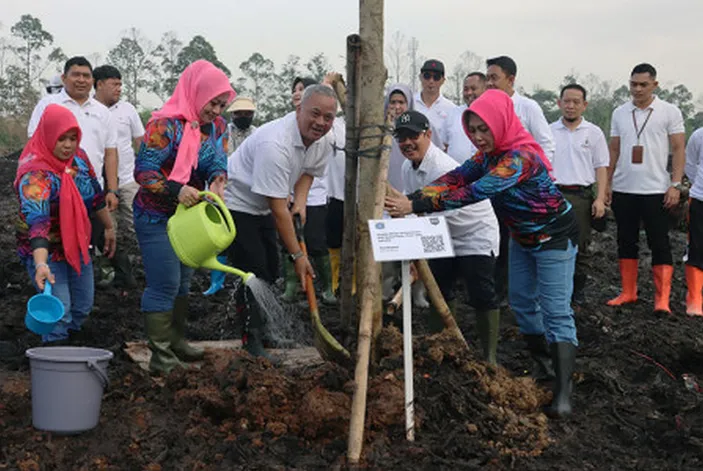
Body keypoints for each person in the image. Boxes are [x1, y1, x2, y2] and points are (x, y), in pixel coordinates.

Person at [385, 90, 579, 418]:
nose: (477, 137)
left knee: (555, 311)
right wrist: (418, 195)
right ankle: (545, 366)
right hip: (521, 237)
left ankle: (564, 389)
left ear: (501, 123)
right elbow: (457, 178)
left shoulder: (520, 159)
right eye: (472, 130)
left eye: (483, 129)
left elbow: (476, 191)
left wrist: (415, 204)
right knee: (521, 304)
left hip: (554, 236)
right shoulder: (485, 157)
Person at [133, 60, 235, 374]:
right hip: (156, 216)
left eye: (221, 104)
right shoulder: (165, 126)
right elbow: (144, 171)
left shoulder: (216, 127)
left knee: (183, 283)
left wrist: (218, 179)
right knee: (165, 283)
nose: (216, 110)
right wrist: (176, 189)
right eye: (212, 103)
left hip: (189, 218)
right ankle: (160, 356)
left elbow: (218, 159)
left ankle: (176, 342)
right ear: (195, 92)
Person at [224, 84, 337, 358]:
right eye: (315, 114)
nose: (321, 122)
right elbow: (278, 209)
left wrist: (300, 200)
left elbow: (309, 171)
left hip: (265, 204)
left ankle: (266, 331)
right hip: (238, 204)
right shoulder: (275, 143)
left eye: (328, 117)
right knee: (251, 272)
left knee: (271, 270)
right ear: (299, 109)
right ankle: (251, 339)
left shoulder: (323, 139)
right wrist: (298, 255)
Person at [393, 110, 501, 364]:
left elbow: (435, 209)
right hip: (440, 232)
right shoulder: (409, 167)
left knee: (481, 293)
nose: (407, 143)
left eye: (413, 136)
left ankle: (490, 358)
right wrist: (413, 252)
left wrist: (420, 249)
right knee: (439, 288)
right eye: (402, 138)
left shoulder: (441, 167)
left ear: (428, 134)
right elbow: (413, 210)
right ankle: (439, 347)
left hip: (474, 231)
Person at [15, 104, 116, 343]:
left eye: (73, 138)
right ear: (48, 136)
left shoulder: (78, 159)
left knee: (83, 305)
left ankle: (72, 347)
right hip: (45, 248)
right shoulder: (35, 175)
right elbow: (38, 224)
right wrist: (40, 264)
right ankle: (54, 362)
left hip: (77, 241)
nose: (68, 145)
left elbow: (95, 195)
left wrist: (109, 227)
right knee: (59, 311)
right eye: (61, 139)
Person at [606, 63, 686, 313]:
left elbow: (678, 149)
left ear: (655, 85)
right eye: (633, 84)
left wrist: (675, 184)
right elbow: (614, 149)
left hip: (656, 189)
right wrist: (606, 184)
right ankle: (628, 291)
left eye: (643, 85)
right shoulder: (620, 112)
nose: (637, 89)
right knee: (625, 240)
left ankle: (662, 299)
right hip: (624, 188)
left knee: (659, 242)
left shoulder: (669, 111)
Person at [485, 55, 556, 308]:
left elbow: (545, 144)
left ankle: (525, 295)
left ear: (511, 79)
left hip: (521, 190)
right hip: (496, 188)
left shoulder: (528, 107)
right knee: (497, 239)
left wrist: (534, 180)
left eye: (495, 78)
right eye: (488, 78)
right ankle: (498, 291)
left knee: (522, 241)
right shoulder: (488, 106)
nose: (490, 83)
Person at [550, 83, 608, 305]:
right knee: (552, 242)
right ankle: (555, 288)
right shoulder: (549, 131)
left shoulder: (593, 133)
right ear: (559, 103)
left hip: (582, 196)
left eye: (576, 102)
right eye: (567, 101)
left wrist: (600, 198)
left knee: (581, 244)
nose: (571, 106)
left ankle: (578, 291)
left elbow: (601, 167)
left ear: (584, 105)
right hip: (554, 195)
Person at [281, 77, 337, 305]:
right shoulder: (284, 130)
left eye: (302, 90)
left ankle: (326, 287)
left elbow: (310, 172)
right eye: (295, 91)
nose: (297, 94)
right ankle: (292, 285)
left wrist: (301, 201)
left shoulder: (324, 134)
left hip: (314, 197)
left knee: (315, 241)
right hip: (286, 194)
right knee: (289, 240)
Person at [93, 65, 145, 289]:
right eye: (114, 84)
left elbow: (141, 142)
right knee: (105, 231)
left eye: (120, 84)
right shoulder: (90, 110)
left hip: (128, 180)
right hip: (99, 184)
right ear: (100, 84)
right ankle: (109, 273)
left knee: (140, 225)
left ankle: (150, 265)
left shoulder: (128, 110)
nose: (119, 88)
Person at [203, 96, 258, 296]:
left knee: (245, 239)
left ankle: (246, 280)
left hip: (246, 196)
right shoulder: (221, 133)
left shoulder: (257, 134)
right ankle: (217, 281)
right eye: (239, 113)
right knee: (219, 238)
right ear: (232, 114)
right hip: (222, 192)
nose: (243, 117)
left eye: (247, 113)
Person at [442, 72, 486, 163]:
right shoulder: (452, 114)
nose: (469, 93)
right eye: (466, 89)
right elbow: (445, 146)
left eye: (473, 89)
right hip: (456, 173)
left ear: (485, 89)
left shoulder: (494, 114)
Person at [413, 59, 456, 141]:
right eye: (427, 76)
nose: (431, 81)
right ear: (420, 77)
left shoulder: (451, 109)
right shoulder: (410, 103)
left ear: (443, 80)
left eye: (436, 77)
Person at [685, 126, 703, 316]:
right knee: (697, 247)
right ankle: (695, 298)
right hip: (700, 199)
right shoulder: (699, 135)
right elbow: (690, 166)